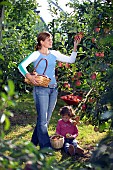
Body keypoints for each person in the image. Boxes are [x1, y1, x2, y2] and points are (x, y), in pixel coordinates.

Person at [18, 31, 81, 150]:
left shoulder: (54, 53)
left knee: (45, 119)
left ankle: (33, 142)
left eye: (51, 39)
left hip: (53, 89)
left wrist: (75, 46)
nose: (51, 41)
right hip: (41, 90)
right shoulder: (36, 54)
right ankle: (45, 146)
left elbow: (71, 60)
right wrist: (29, 76)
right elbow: (21, 66)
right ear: (42, 42)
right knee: (42, 120)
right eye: (48, 40)